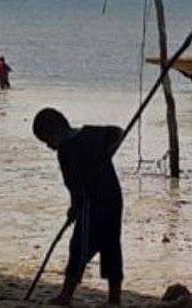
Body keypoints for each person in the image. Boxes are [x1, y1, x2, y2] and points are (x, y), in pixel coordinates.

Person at [33, 108, 124, 306]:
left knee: (79, 247)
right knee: (111, 246)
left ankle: (66, 296)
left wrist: (75, 207)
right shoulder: (91, 133)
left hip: (92, 202)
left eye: (48, 140)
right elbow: (117, 133)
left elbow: (74, 187)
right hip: (113, 198)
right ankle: (114, 299)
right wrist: (106, 153)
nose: (49, 146)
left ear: (58, 130)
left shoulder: (66, 152)